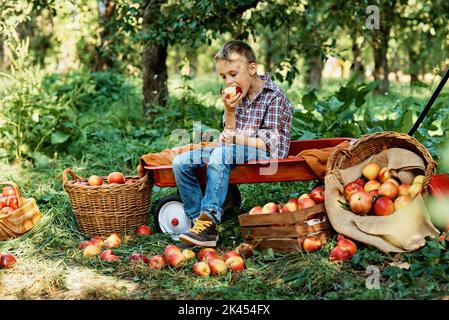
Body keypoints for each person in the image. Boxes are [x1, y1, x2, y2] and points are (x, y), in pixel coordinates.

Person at [173, 40, 294, 247]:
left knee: (221, 154)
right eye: (223, 77)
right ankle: (199, 226)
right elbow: (228, 133)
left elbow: (268, 143)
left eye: (233, 74)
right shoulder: (236, 96)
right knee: (181, 162)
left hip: (267, 154)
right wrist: (230, 112)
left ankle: (209, 218)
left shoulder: (274, 96)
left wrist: (232, 140)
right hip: (235, 149)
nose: (228, 81)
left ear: (252, 68)